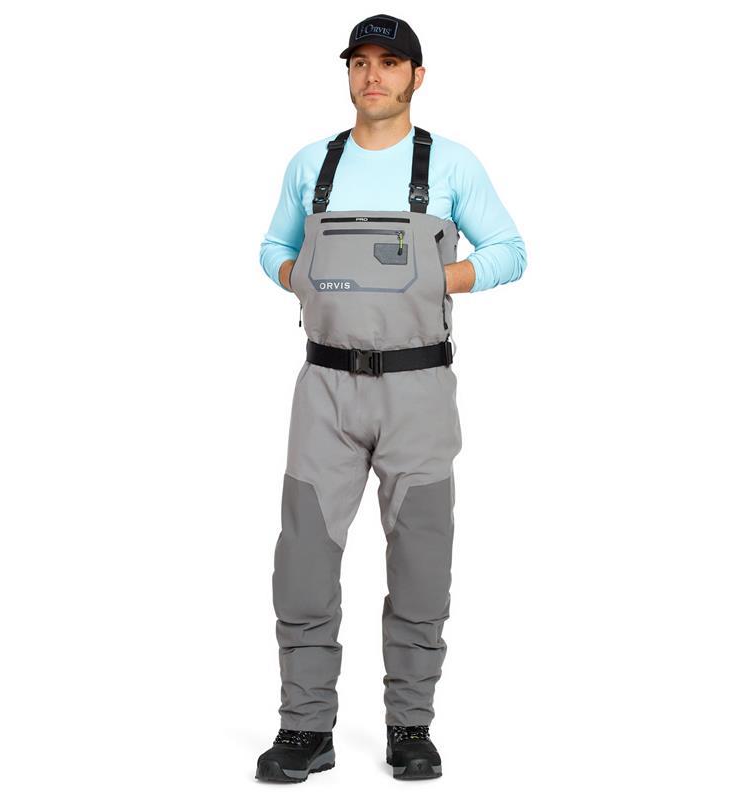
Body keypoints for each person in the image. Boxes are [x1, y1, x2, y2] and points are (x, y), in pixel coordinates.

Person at [255, 13, 527, 782]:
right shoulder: (313, 163)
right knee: (304, 558)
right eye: (360, 62)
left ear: (417, 76)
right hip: (324, 387)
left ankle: (411, 725)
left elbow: (510, 251)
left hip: (419, 388)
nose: (373, 75)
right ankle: (305, 728)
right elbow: (273, 247)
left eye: (390, 62)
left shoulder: (450, 164)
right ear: (348, 73)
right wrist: (297, 276)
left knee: (421, 558)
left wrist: (439, 277)